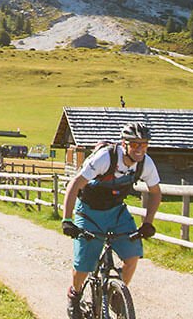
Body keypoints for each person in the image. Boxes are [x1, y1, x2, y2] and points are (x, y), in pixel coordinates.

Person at [60, 122, 162, 319]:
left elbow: (155, 193)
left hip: (116, 212)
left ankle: (117, 294)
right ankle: (75, 295)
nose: (140, 149)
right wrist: (67, 219)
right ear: (124, 144)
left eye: (144, 144)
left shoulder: (145, 163)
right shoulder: (105, 158)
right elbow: (75, 184)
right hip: (88, 211)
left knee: (132, 256)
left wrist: (148, 222)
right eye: (135, 144)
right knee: (84, 264)